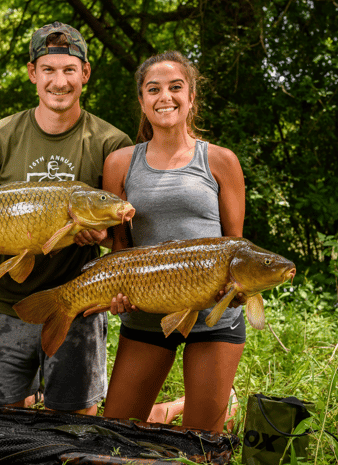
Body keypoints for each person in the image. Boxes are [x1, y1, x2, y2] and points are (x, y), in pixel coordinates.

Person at [0, 21, 132, 415]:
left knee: (72, 428)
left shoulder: (112, 143)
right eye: (48, 70)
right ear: (33, 73)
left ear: (85, 73)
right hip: (7, 304)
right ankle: (28, 389)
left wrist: (99, 235)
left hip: (77, 307)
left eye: (69, 70)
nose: (59, 81)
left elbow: (121, 234)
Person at [101, 51, 246, 434]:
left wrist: (239, 288)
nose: (165, 96)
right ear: (142, 102)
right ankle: (168, 409)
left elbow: (236, 245)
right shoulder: (119, 164)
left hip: (213, 316)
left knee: (200, 450)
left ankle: (204, 403)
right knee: (114, 437)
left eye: (175, 87)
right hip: (147, 310)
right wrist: (117, 293)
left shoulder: (220, 161)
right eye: (154, 89)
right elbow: (120, 248)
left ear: (191, 97)